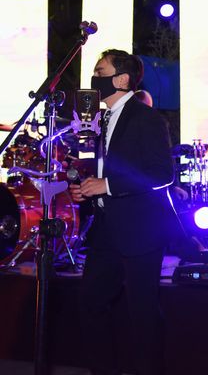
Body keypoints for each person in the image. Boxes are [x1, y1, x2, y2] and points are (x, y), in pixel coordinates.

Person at [69, 49, 177, 375]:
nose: (94, 77)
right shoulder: (102, 120)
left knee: (142, 312)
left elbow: (161, 174)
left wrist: (107, 185)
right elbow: (109, 169)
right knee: (90, 302)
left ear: (121, 79)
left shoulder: (146, 118)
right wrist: (89, 189)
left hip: (140, 230)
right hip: (107, 230)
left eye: (100, 70)